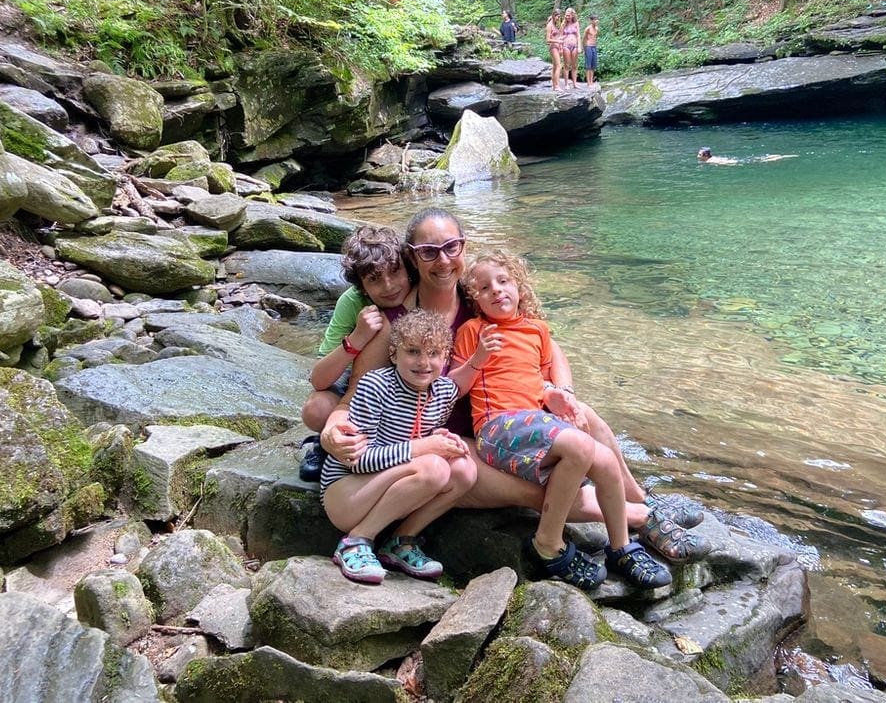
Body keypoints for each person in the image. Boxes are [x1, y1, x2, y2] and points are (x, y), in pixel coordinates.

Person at [320, 208, 710, 563]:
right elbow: (355, 396)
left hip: (502, 416)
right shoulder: (397, 321)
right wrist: (332, 433)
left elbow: (546, 344)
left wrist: (561, 391)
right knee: (537, 494)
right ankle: (641, 518)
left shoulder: (479, 296)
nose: (442, 260)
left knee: (586, 418)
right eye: (428, 251)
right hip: (450, 441)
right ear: (412, 255)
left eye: (451, 247)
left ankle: (644, 501)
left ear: (463, 247)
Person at [453, 250, 694, 590]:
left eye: (503, 281)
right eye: (484, 288)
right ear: (475, 300)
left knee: (606, 458)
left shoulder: (537, 331)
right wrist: (478, 357)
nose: (496, 290)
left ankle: (621, 547)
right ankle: (547, 544)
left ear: (519, 287)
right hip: (498, 427)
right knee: (581, 445)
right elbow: (454, 385)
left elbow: (533, 376)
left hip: (534, 421)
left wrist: (555, 393)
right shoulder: (473, 330)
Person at [320, 310, 494, 584]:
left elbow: (458, 384)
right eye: (413, 351)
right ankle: (355, 541)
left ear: (445, 358)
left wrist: (443, 440)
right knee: (434, 466)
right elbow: (357, 460)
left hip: (390, 493)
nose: (424, 362)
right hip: (346, 495)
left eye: (434, 353)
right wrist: (426, 446)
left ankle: (400, 542)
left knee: (465, 469)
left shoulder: (441, 393)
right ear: (393, 354)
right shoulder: (375, 386)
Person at [298, 225, 412, 482]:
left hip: (406, 380)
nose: (389, 286)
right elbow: (319, 380)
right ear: (361, 286)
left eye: (395, 272)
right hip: (358, 384)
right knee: (315, 409)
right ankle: (327, 444)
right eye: (374, 279)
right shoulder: (351, 302)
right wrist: (357, 338)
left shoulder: (419, 291)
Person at [561, 7, 581, 89]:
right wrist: (560, 47)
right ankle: (566, 84)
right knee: (567, 65)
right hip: (566, 45)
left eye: (568, 15)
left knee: (575, 65)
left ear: (572, 15)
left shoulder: (576, 23)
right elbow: (560, 36)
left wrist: (579, 46)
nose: (567, 17)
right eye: (566, 15)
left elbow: (578, 35)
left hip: (575, 46)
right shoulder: (563, 24)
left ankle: (575, 83)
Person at [545, 9, 563, 91]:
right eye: (558, 17)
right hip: (553, 47)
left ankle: (554, 85)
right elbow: (548, 40)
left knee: (555, 66)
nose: (558, 18)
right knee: (559, 66)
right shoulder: (550, 25)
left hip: (557, 47)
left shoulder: (555, 24)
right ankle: (557, 86)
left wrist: (560, 39)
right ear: (554, 15)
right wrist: (557, 41)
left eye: (559, 17)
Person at [583, 14, 600, 88]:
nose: (596, 21)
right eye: (595, 19)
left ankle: (592, 81)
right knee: (588, 65)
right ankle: (588, 82)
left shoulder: (597, 29)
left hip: (594, 47)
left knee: (593, 65)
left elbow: (596, 37)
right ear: (591, 20)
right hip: (588, 46)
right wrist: (584, 48)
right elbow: (584, 39)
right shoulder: (588, 29)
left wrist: (596, 44)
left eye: (597, 19)